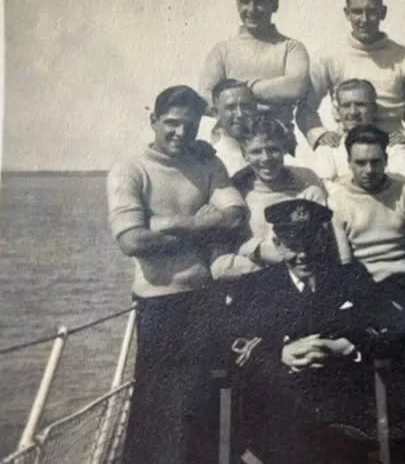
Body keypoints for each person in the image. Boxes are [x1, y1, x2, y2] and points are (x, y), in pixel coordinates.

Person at [106, 85, 247, 463]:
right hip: (158, 305)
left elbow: (235, 214)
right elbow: (133, 241)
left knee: (202, 407)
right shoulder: (130, 170)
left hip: (204, 301)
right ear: (153, 120)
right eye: (171, 124)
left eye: (190, 125)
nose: (180, 133)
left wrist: (168, 223)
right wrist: (199, 224)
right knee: (156, 409)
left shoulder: (205, 163)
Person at [217, 199, 386, 463]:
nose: (304, 254)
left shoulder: (350, 277)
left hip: (346, 414)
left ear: (323, 240)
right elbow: (230, 339)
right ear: (279, 245)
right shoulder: (254, 287)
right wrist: (279, 353)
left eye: (311, 243)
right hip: (278, 414)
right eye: (294, 246)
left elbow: (382, 325)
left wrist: (347, 345)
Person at [306, 0, 405, 152]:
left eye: (371, 11)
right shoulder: (329, 56)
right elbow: (306, 108)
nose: (364, 19)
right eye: (357, 11)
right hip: (348, 147)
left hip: (392, 147)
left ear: (383, 12)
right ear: (346, 13)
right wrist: (319, 134)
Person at [210, 116, 352, 280]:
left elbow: (326, 242)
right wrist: (263, 264)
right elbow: (219, 265)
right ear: (244, 154)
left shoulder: (306, 185)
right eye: (256, 151)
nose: (266, 158)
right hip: (257, 284)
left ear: (284, 148)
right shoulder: (235, 192)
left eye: (273, 149)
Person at [199, 0, 315, 156]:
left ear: (274, 4)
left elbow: (296, 86)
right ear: (237, 4)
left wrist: (241, 93)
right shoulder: (222, 50)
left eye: (260, 2)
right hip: (232, 145)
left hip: (278, 144)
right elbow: (205, 98)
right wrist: (265, 95)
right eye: (245, 1)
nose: (251, 9)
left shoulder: (291, 48)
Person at [328, 124, 405, 288]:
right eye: (360, 163)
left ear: (386, 160)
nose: (369, 170)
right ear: (349, 162)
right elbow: (345, 264)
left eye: (375, 162)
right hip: (365, 288)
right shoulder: (338, 202)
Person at [311, 78, 405, 186]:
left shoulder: (392, 144)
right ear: (338, 111)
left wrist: (343, 181)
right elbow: (322, 186)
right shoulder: (330, 147)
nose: (353, 112)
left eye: (360, 105)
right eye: (346, 106)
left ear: (374, 108)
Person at [208, 78, 257, 176]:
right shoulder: (211, 160)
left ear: (255, 109)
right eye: (231, 107)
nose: (240, 114)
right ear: (216, 113)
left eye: (245, 106)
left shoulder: (271, 153)